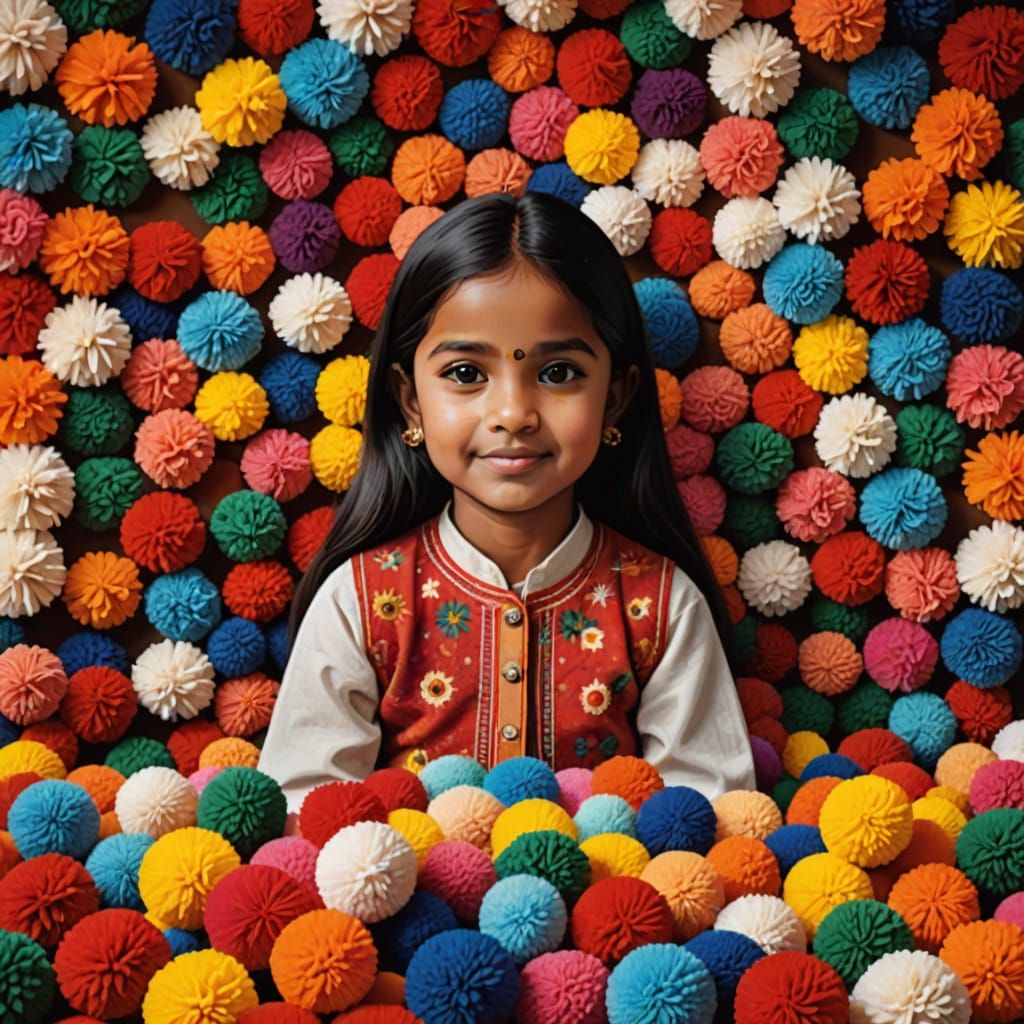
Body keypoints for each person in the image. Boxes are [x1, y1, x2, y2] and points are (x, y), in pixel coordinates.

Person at [258, 192, 756, 816]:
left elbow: (707, 819)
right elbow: (306, 817)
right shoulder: (359, 602)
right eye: (467, 374)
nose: (513, 415)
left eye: (558, 374)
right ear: (410, 402)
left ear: (617, 397)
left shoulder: (660, 606)